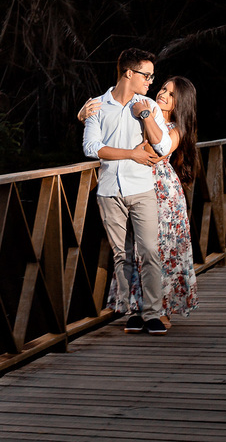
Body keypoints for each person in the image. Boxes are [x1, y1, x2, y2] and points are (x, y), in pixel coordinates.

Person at [79, 76, 200, 324]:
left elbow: (156, 150)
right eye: (163, 88)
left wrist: (145, 116)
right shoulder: (140, 112)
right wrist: (85, 117)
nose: (163, 94)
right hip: (130, 187)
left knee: (160, 250)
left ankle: (161, 311)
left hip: (162, 195)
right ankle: (136, 308)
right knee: (132, 250)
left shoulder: (174, 128)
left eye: (171, 94)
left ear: (181, 103)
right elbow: (106, 136)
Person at [82, 48, 171, 335]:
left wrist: (145, 115)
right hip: (109, 191)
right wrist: (130, 154)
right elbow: (91, 148)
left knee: (149, 252)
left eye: (152, 76)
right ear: (128, 73)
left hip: (142, 189)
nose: (150, 81)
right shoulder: (96, 106)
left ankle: (153, 314)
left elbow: (163, 147)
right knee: (122, 255)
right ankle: (131, 311)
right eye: (147, 75)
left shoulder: (149, 106)